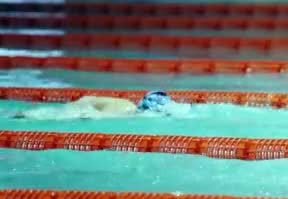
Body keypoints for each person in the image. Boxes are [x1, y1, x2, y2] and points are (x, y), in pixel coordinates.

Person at [12, 90, 181, 120]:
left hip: (87, 104)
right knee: (50, 116)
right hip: (83, 105)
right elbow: (89, 106)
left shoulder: (128, 107)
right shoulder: (124, 108)